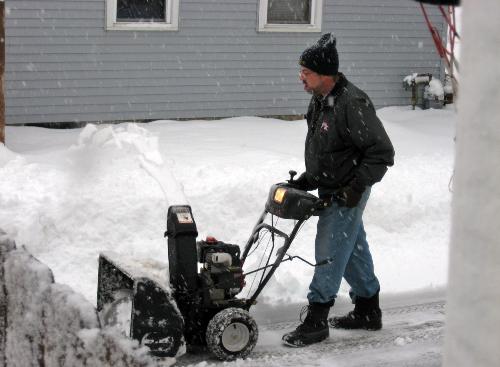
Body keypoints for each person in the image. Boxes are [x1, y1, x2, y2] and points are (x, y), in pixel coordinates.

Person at [282, 33, 395, 347]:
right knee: (352, 248)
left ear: (325, 75)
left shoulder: (352, 103)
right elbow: (327, 147)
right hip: (331, 185)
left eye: (306, 72)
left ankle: (316, 320)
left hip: (348, 190)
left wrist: (356, 188)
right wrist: (307, 180)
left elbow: (382, 153)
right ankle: (368, 311)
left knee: (330, 250)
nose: (300, 78)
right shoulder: (321, 99)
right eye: (301, 71)